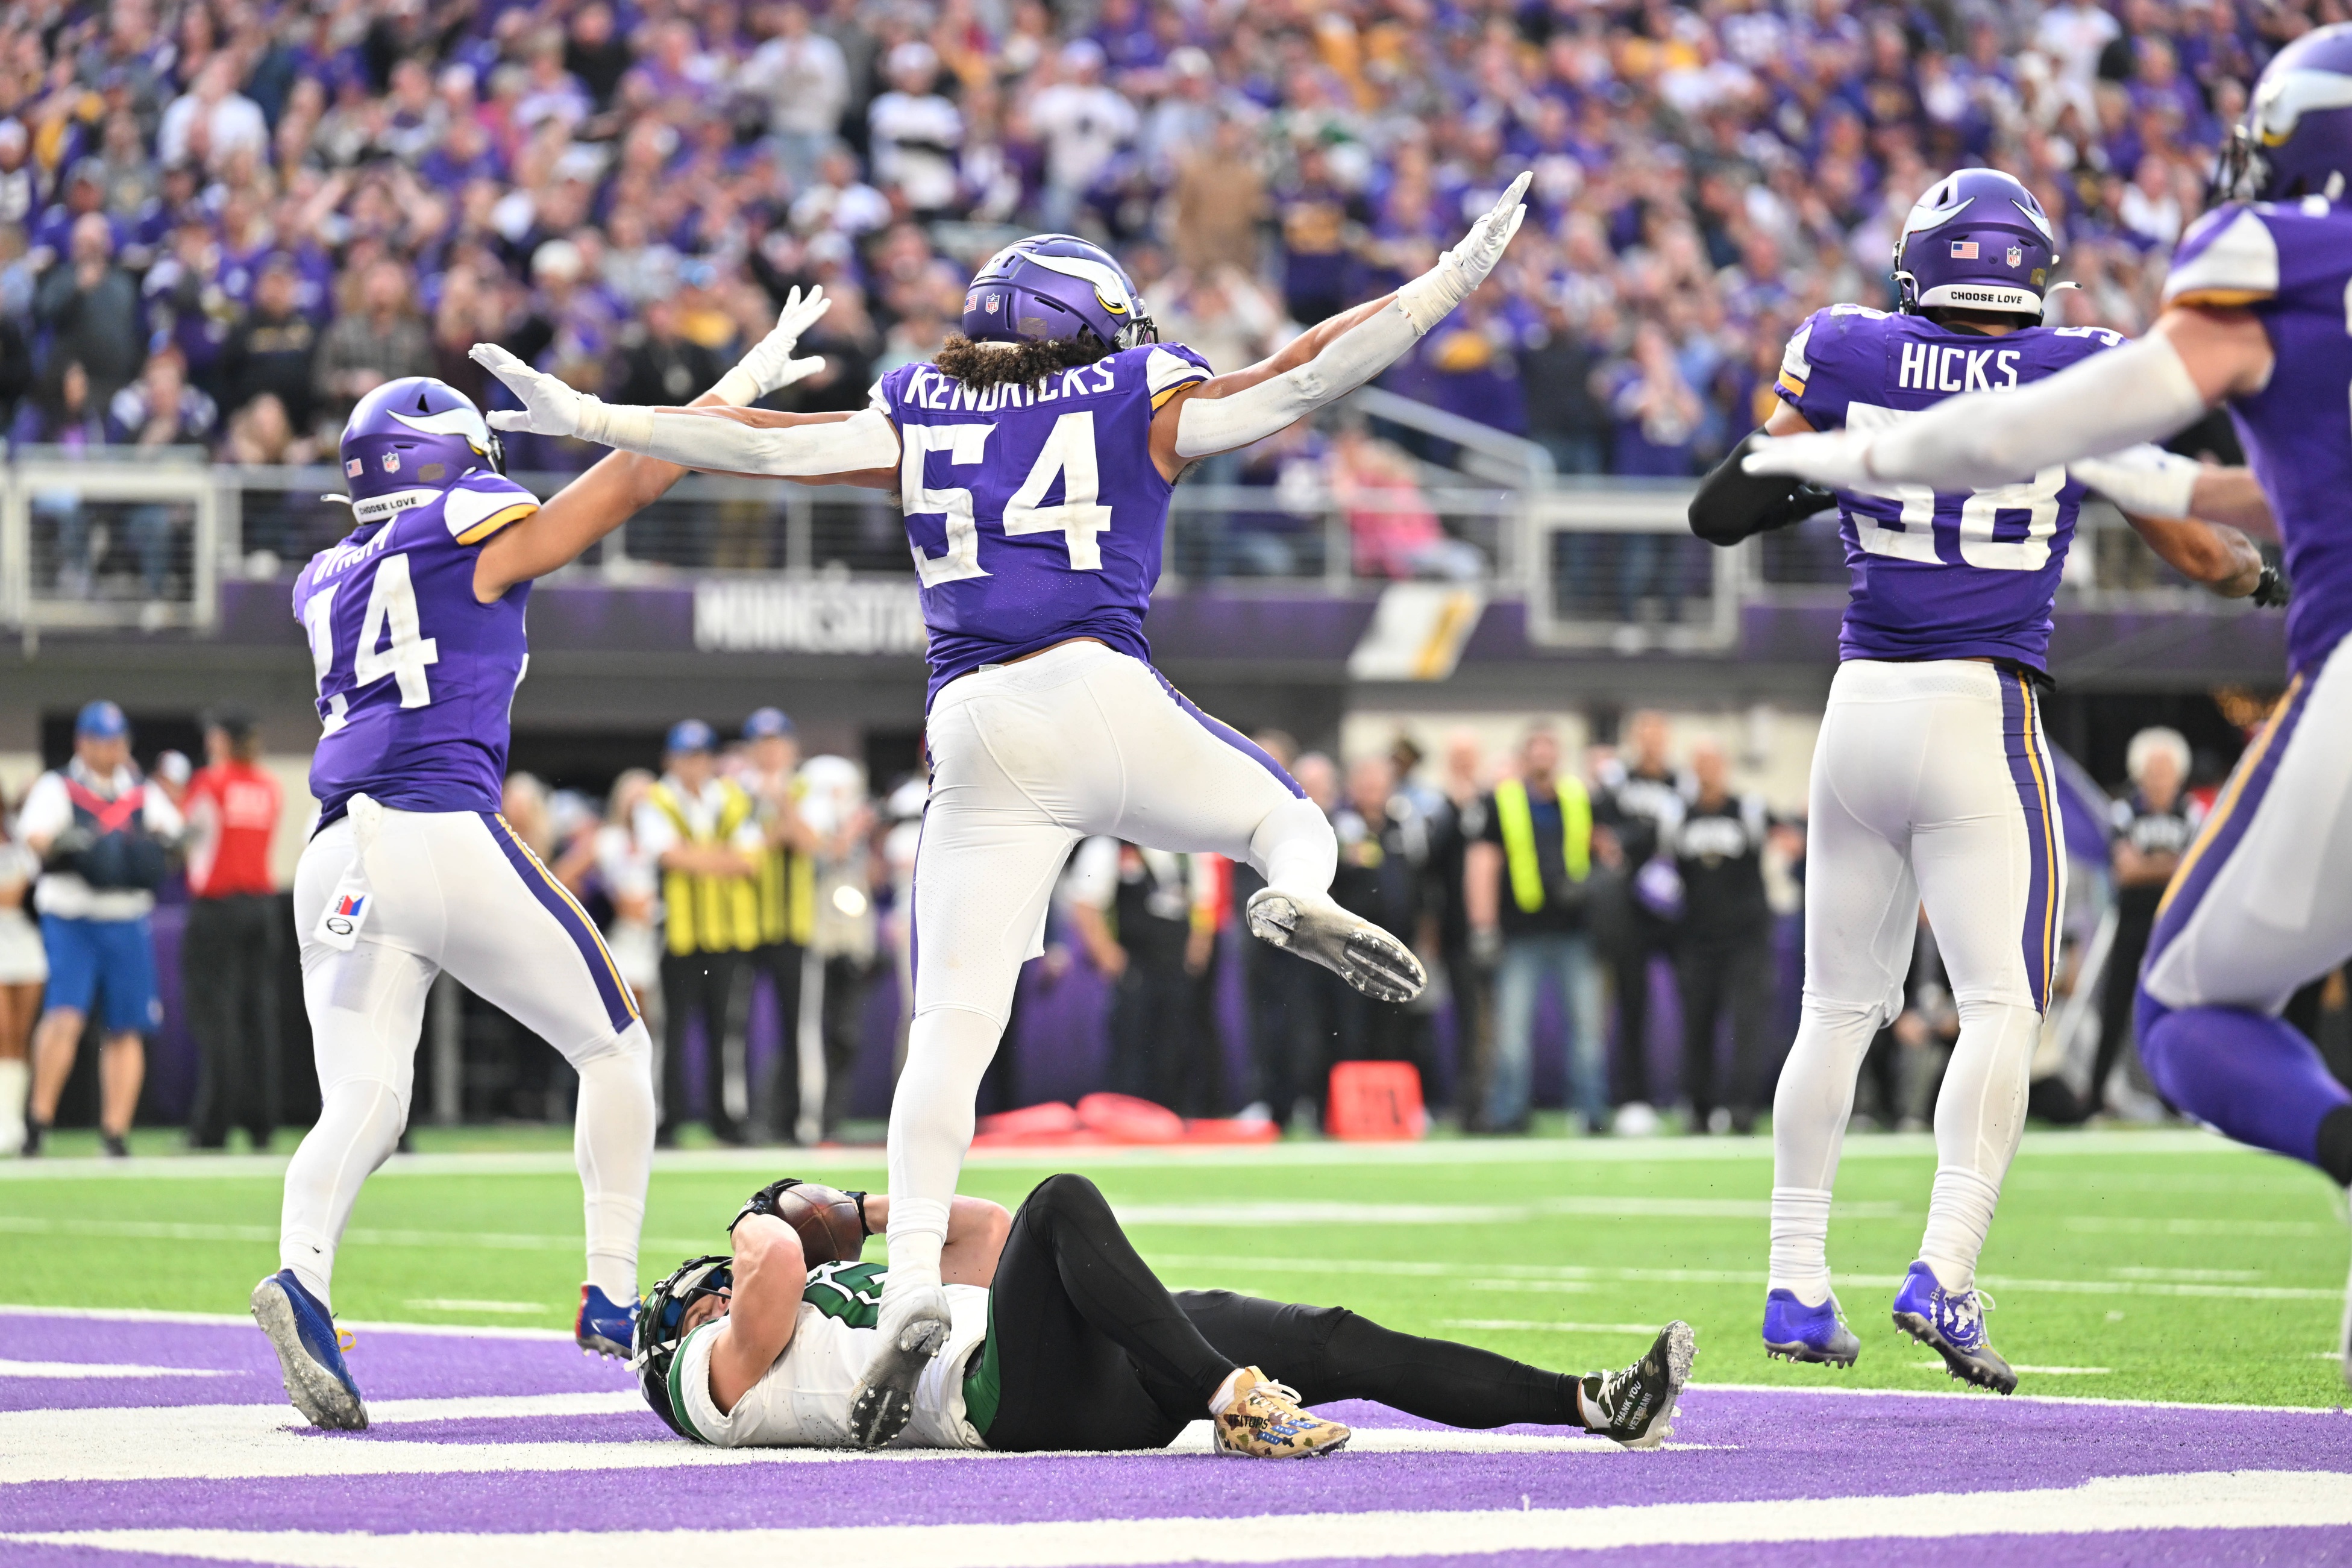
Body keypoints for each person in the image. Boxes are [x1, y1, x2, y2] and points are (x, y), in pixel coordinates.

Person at [477, 182, 1531, 1444]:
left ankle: (914, 1290)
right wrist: (1442, 285)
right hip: (1096, 684)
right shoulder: (1133, 387)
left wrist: (590, 414)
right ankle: (1297, 890)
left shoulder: (919, 405)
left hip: (971, 724)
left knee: (949, 1031)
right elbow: (1300, 378)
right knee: (1284, 814)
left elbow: (764, 445)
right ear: (1084, 323)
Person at [1749, 30, 2352, 1385]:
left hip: (1856, 699)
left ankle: (1794, 1279)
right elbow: (2186, 532)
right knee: (2003, 1005)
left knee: (1834, 1011)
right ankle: (1943, 1268)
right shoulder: (2071, 358)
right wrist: (2261, 577)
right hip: (1981, 708)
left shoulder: (1842, 342)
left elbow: (1769, 462)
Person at [250, 287, 835, 1432]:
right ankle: (611, 1294)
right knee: (615, 1043)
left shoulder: (323, 578)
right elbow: (623, 486)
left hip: (331, 856)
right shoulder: (465, 523)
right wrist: (735, 393)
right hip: (434, 827)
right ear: (451, 465)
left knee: (364, 1097)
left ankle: (303, 1280)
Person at [633, 1171, 1695, 1456]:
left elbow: (985, 1233)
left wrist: (867, 1213)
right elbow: (769, 1260)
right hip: (994, 1398)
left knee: (1331, 1338)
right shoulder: (713, 1376)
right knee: (1065, 1202)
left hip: (1057, 1364)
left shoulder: (792, 1298)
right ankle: (1232, 1396)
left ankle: (1597, 1402)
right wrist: (769, 1212)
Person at [17, 701, 182, 1158]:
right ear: (82, 743)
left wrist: (162, 847)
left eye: (118, 741)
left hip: (127, 917)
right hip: (72, 918)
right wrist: (60, 844)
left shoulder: (141, 792)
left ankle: (115, 1132)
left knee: (127, 1026)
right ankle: (38, 1122)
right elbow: (34, 834)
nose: (112, 751)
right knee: (65, 1016)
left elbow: (175, 832)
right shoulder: (59, 787)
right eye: (102, 741)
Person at [1465, 725, 1607, 1135]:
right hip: (1520, 932)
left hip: (1574, 930)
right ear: (1524, 756)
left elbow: (1603, 849)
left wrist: (1594, 884)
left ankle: (1591, 1111)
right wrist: (1484, 926)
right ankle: (1508, 1112)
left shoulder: (1580, 798)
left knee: (1586, 1031)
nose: (1543, 757)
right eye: (1536, 749)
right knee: (1511, 1034)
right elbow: (1483, 865)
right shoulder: (1502, 801)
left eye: (1550, 749)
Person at [636, 720, 765, 1147]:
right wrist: (719, 857)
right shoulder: (655, 799)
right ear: (670, 760)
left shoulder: (731, 797)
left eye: (701, 756)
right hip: (679, 932)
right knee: (671, 1030)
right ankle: (668, 1119)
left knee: (726, 1030)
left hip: (728, 932)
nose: (694, 766)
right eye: (686, 757)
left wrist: (697, 857)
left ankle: (725, 1119)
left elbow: (751, 861)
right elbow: (671, 858)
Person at [181, 710, 285, 1152]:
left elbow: (188, 837)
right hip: (262, 908)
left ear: (222, 740)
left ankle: (213, 1128)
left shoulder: (210, 784)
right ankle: (262, 1124)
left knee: (217, 1021)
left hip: (218, 908)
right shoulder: (269, 788)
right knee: (259, 1018)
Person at [1670, 738, 1776, 1135]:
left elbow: (1788, 838)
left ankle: (1742, 1107)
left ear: (1724, 766)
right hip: (1696, 941)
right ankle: (1698, 1109)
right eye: (1699, 763)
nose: (1707, 770)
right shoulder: (1676, 816)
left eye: (1713, 762)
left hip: (1745, 940)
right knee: (1696, 1025)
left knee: (1746, 1026)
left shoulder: (1748, 811)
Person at [2096, 728, 2200, 1117]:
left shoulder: (2192, 812)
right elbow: (2124, 871)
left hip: (2173, 929)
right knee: (2114, 1008)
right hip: (2131, 923)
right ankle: (2093, 1097)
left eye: (2165, 771)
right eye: (2152, 771)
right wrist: (2168, 865)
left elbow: (2194, 868)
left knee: (2173, 1014)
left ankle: (2175, 1102)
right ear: (2138, 774)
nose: (2159, 780)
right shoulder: (2124, 810)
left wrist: (2149, 865)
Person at [1592, 711, 1686, 1135]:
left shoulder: (1681, 785)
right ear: (1634, 740)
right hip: (1628, 910)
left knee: (1693, 1001)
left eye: (1657, 735)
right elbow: (1600, 833)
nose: (1650, 743)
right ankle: (1632, 1099)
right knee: (1630, 1005)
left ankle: (1692, 1097)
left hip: (1674, 908)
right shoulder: (1616, 782)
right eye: (1643, 736)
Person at [0, 793, 46, 1156]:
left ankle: (14, 1121)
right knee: (2, 1031)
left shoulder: (18, 835)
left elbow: (33, 886)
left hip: (27, 945)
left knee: (21, 1035)